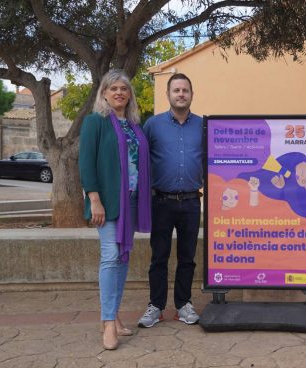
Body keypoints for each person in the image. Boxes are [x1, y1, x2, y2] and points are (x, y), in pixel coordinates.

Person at [79, 69, 151, 350]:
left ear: (129, 94)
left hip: (132, 201)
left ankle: (115, 316)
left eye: (124, 88)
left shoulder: (134, 125)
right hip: (107, 202)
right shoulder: (94, 122)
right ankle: (108, 323)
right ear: (104, 93)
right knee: (110, 257)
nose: (119, 92)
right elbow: (86, 164)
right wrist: (94, 199)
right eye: (113, 88)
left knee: (123, 258)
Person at [138, 73, 203, 327]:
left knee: (187, 256)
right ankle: (155, 306)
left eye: (185, 90)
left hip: (190, 202)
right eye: (176, 90)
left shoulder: (203, 125)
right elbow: (141, 162)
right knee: (159, 256)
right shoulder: (152, 125)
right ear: (168, 95)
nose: (181, 94)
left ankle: (183, 304)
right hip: (161, 201)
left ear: (191, 94)